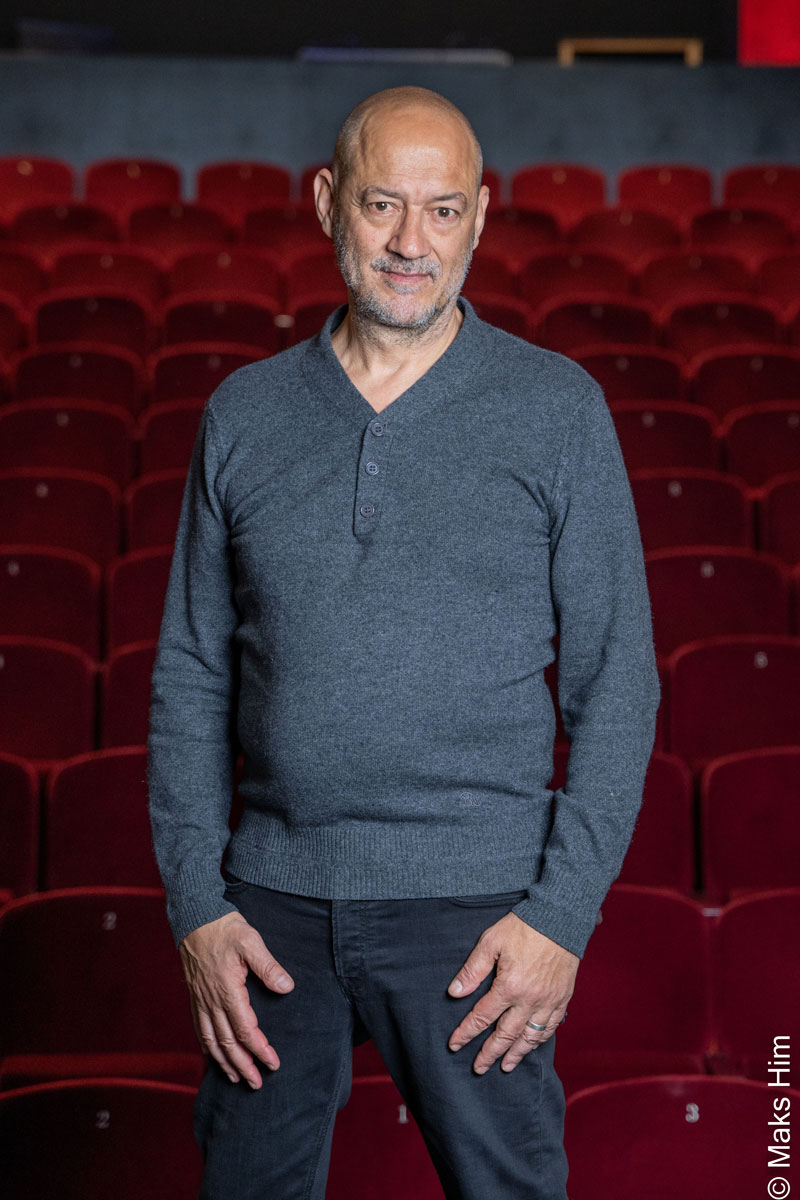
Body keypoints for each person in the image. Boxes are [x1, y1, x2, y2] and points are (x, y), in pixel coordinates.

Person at [148, 85, 660, 1199]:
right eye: (381, 204)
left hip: (477, 918)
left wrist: (558, 919)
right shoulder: (243, 413)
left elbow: (616, 682)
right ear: (329, 203)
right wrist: (197, 904)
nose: (407, 243)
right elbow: (189, 673)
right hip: (268, 914)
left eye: (438, 211)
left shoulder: (554, 409)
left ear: (479, 216)